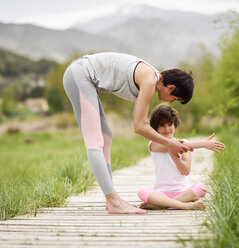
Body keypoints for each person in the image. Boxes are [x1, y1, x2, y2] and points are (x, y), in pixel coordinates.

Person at [62, 52, 194, 214]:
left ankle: (111, 199)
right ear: (171, 87)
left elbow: (140, 122)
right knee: (95, 141)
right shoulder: (150, 81)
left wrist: (168, 142)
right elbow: (139, 126)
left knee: (106, 137)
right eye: (176, 99)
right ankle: (113, 201)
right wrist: (169, 142)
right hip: (80, 74)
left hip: (82, 75)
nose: (172, 102)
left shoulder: (150, 77)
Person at [137, 104, 226, 210]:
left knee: (201, 188)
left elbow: (186, 171)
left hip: (183, 192)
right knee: (142, 192)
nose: (167, 129)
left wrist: (174, 156)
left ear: (175, 124)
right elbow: (178, 146)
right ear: (155, 127)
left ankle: (162, 205)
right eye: (162, 125)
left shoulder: (185, 142)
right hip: (161, 193)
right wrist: (202, 144)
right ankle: (184, 205)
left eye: (170, 124)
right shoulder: (153, 143)